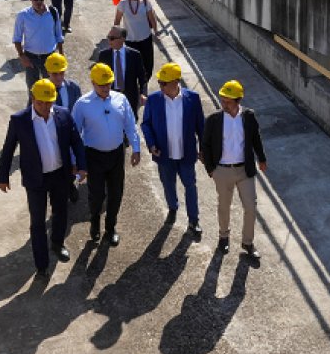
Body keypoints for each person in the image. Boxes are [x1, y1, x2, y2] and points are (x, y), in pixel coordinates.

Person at [0, 78, 87, 280]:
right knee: (37, 221)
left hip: (60, 175)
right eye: (40, 103)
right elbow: (9, 150)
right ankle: (42, 264)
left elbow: (76, 142)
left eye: (49, 102)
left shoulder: (63, 115)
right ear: (32, 99)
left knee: (60, 212)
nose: (45, 107)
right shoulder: (19, 120)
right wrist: (3, 177)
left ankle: (57, 243)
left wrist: (81, 166)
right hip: (35, 179)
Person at [72, 63, 141, 246]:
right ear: (93, 83)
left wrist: (136, 148)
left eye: (108, 84)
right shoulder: (82, 104)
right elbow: (74, 135)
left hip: (117, 154)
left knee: (116, 193)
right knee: (96, 195)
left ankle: (110, 228)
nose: (106, 88)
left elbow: (130, 125)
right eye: (102, 84)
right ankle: (94, 223)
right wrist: (75, 162)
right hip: (93, 156)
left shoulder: (121, 99)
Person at [200, 80, 268, 260]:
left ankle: (247, 242)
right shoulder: (214, 119)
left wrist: (261, 158)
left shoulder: (249, 116)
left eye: (228, 102)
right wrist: (211, 170)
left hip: (245, 171)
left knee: (251, 207)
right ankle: (223, 237)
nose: (224, 105)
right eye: (222, 101)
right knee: (224, 208)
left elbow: (255, 139)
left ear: (238, 101)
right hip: (222, 171)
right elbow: (205, 145)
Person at [141, 63, 205, 238]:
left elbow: (201, 126)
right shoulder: (154, 99)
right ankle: (172, 208)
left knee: (190, 185)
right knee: (168, 184)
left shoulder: (193, 98)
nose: (160, 86)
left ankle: (193, 219)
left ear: (176, 82)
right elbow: (146, 124)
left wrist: (204, 149)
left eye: (163, 83)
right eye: (160, 82)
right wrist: (151, 144)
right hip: (164, 154)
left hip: (187, 153)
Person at [45, 53, 83, 203]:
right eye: (55, 74)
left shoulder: (73, 87)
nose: (59, 77)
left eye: (61, 73)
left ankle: (69, 185)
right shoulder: (40, 89)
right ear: (48, 72)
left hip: (70, 134)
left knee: (71, 162)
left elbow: (80, 110)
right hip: (51, 135)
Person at [13, 0, 64, 94]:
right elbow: (17, 38)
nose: (39, 2)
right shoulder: (23, 15)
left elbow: (59, 36)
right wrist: (22, 56)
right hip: (31, 59)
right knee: (33, 91)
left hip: (50, 58)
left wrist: (61, 56)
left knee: (52, 89)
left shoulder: (53, 12)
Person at [114, 0, 158, 86]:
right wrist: (116, 36)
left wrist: (156, 32)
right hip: (130, 40)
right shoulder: (123, 3)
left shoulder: (146, 2)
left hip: (145, 39)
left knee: (148, 65)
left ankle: (143, 85)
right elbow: (117, 20)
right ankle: (134, 85)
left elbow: (152, 18)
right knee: (132, 65)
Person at [97, 25, 146, 117]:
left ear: (122, 39)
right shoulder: (104, 55)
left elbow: (142, 75)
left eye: (112, 38)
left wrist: (143, 93)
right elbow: (99, 77)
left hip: (129, 97)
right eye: (108, 37)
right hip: (110, 96)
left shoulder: (134, 55)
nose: (109, 41)